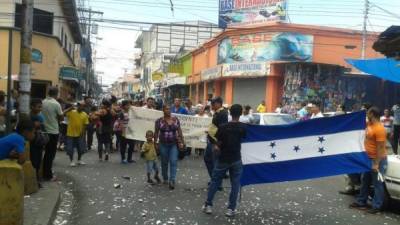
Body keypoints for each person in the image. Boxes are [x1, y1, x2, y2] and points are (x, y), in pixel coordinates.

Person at [202, 104, 247, 217]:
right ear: (240, 113)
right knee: (235, 184)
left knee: (215, 181)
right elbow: (245, 138)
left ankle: (208, 205)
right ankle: (231, 209)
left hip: (223, 159)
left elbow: (218, 144)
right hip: (236, 159)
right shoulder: (243, 127)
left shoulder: (223, 127)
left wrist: (217, 147)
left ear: (230, 113)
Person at [350, 107, 388, 214]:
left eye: (368, 113)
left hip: (378, 160)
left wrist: (376, 163)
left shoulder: (379, 129)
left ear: (372, 114)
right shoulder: (369, 124)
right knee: (364, 180)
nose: (367, 115)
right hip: (367, 159)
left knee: (377, 183)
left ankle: (376, 206)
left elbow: (380, 148)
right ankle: (361, 201)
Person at [154, 105, 185, 190]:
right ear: (163, 110)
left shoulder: (175, 119)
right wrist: (155, 144)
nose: (168, 110)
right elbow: (156, 133)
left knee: (173, 161)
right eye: (166, 109)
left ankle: (172, 180)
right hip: (163, 144)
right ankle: (165, 178)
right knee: (164, 162)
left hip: (173, 144)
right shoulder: (159, 121)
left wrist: (182, 142)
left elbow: (179, 131)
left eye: (169, 109)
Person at [42, 87, 63, 181]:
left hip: (43, 131)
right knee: (50, 154)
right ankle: (48, 175)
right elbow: (61, 118)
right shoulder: (56, 104)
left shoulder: (43, 102)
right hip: (53, 131)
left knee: (44, 153)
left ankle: (44, 172)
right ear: (56, 94)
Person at [205, 97, 229, 181]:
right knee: (208, 159)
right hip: (211, 141)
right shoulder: (217, 113)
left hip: (215, 143)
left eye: (213, 104)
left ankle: (217, 183)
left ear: (219, 103)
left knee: (215, 163)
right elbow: (216, 126)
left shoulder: (222, 113)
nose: (212, 105)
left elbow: (222, 130)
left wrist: (217, 144)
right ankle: (214, 179)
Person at [64, 101, 89, 167]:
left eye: (82, 106)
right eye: (79, 105)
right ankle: (71, 161)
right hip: (70, 133)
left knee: (81, 148)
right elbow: (63, 113)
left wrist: (83, 132)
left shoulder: (84, 114)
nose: (80, 107)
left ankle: (79, 160)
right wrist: (70, 108)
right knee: (70, 148)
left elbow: (85, 124)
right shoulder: (71, 112)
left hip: (80, 134)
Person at [30, 98, 46, 185]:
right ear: (32, 107)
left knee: (37, 162)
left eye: (41, 107)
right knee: (34, 161)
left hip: (38, 142)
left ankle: (36, 179)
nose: (40, 109)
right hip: (32, 141)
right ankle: (34, 180)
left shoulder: (39, 116)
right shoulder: (29, 116)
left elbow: (43, 127)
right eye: (38, 107)